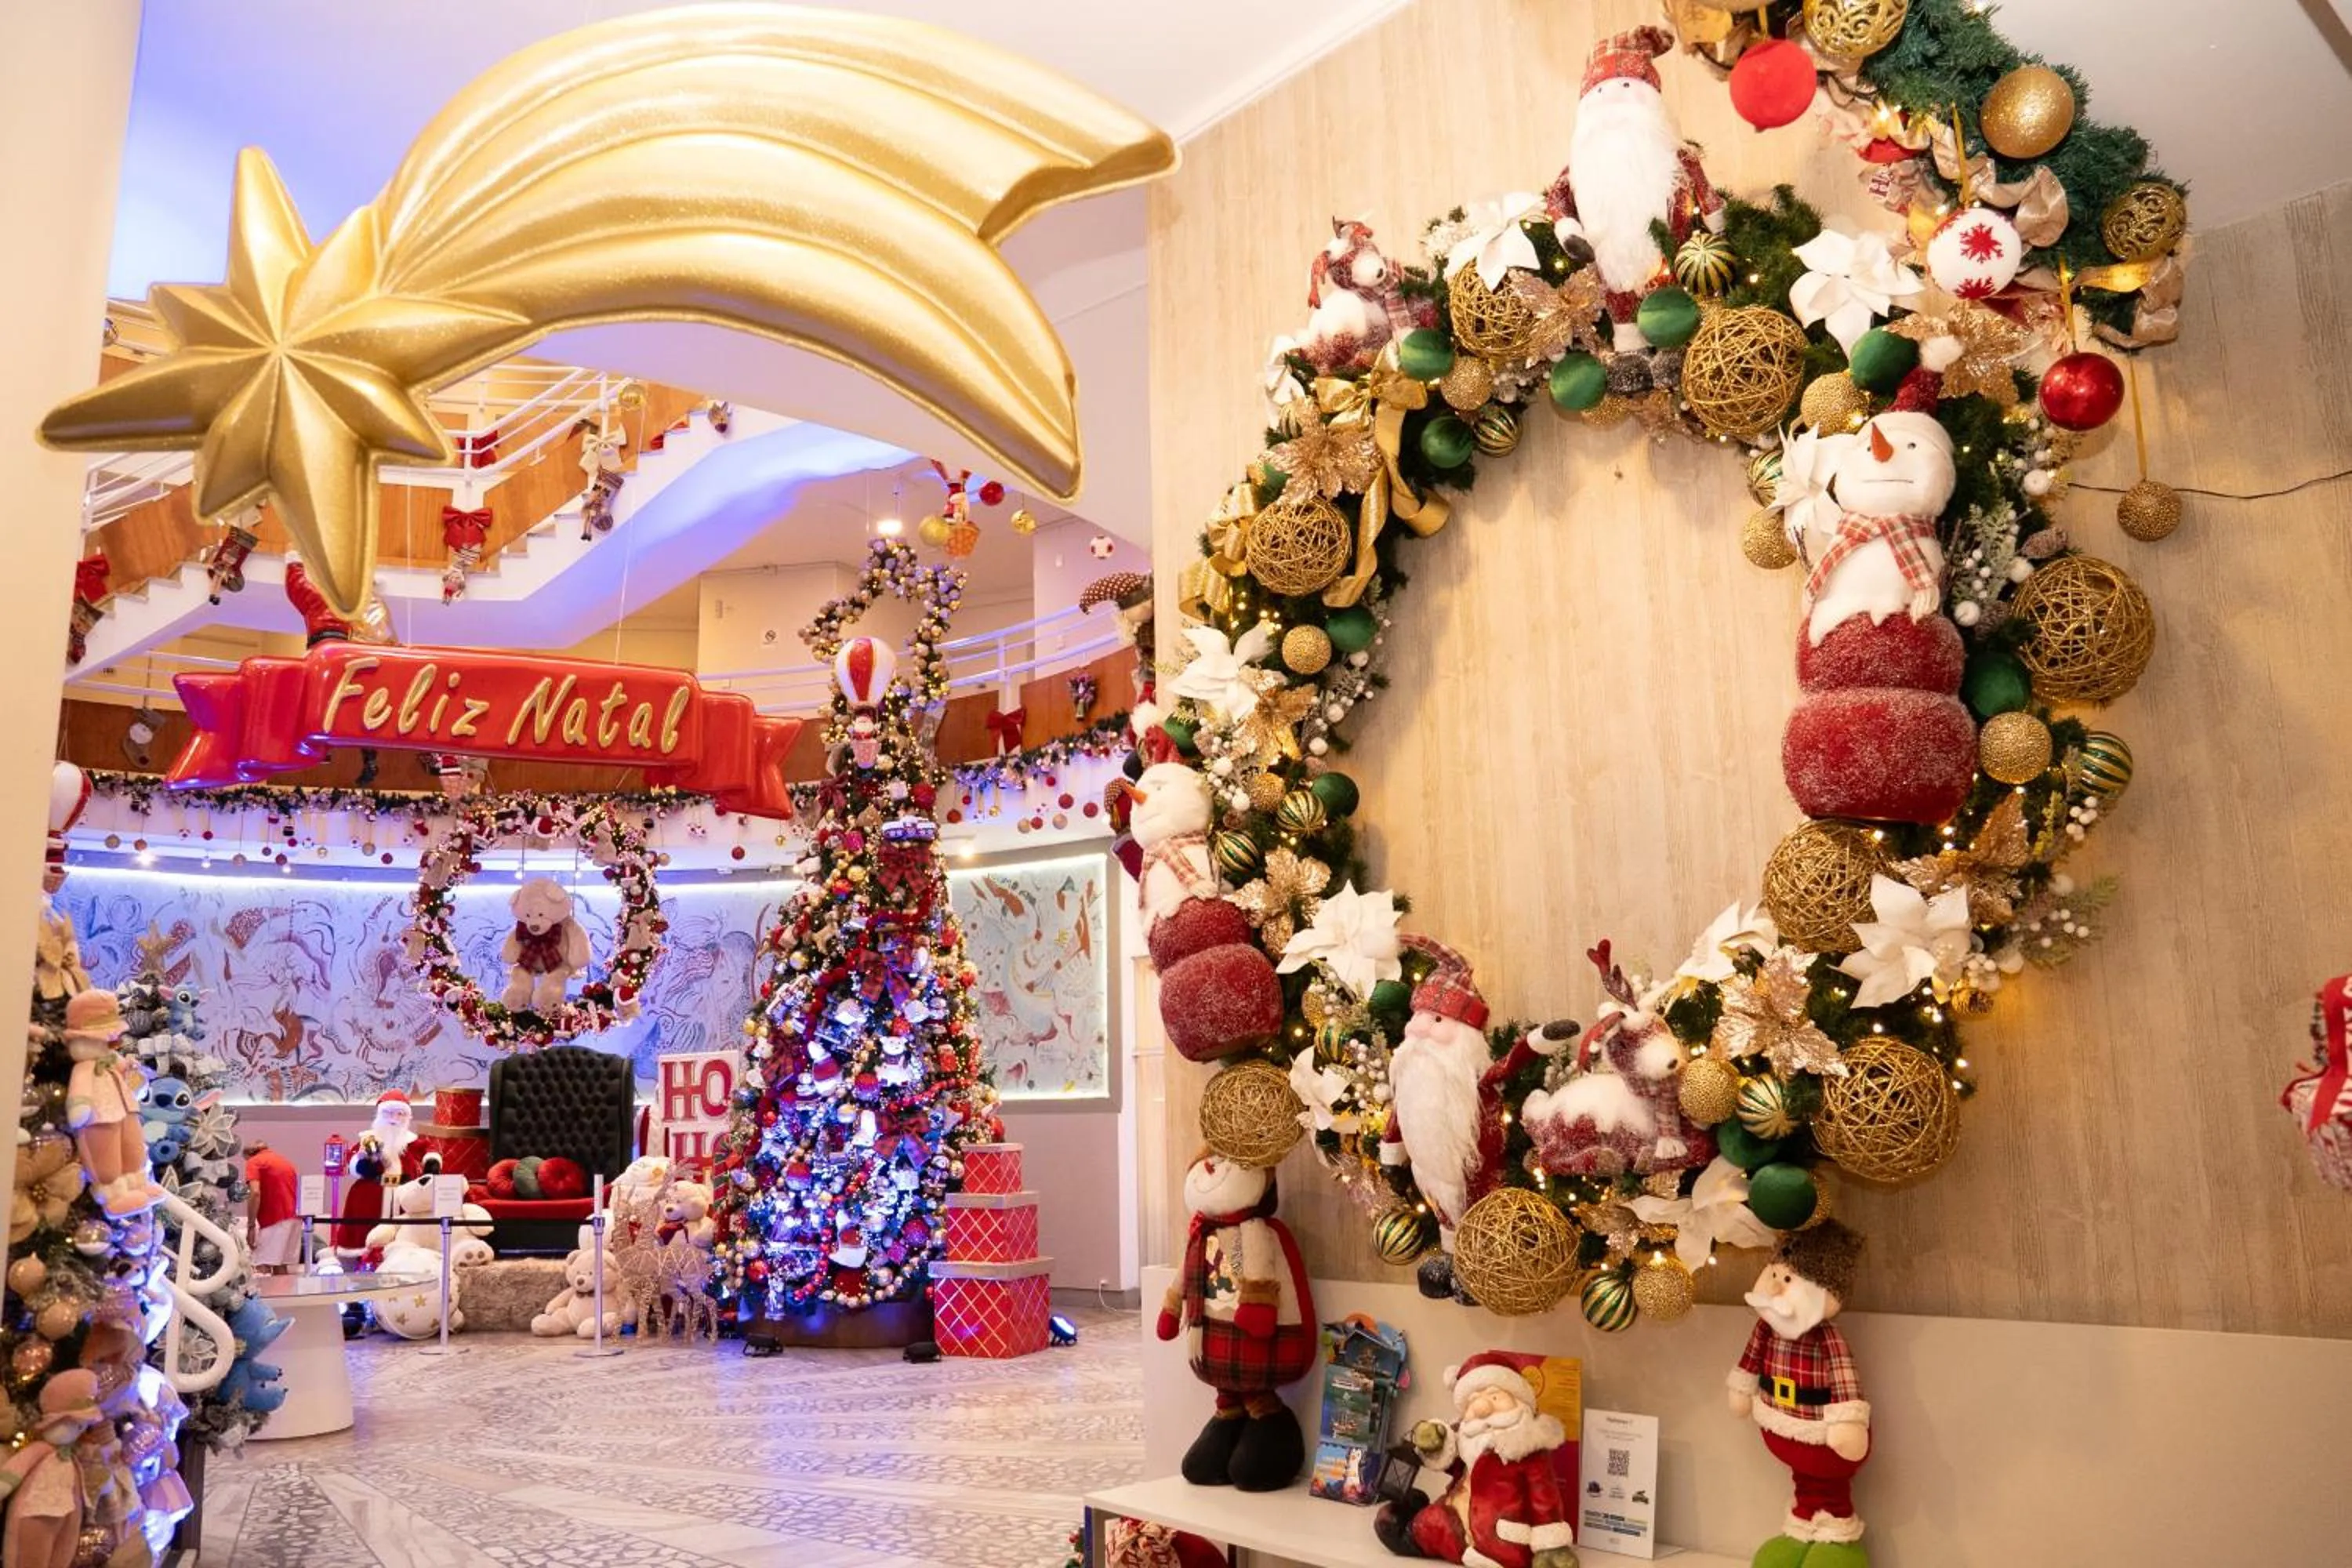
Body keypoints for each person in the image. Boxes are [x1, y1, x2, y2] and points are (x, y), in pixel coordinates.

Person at [244, 1140, 300, 1274]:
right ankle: (284, 1295)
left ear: (249, 1154)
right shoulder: (285, 1162)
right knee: (281, 1266)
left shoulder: (254, 1162)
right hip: (293, 1219)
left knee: (261, 1267)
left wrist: (251, 1226)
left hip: (274, 1220)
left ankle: (263, 1296)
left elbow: (255, 1193)